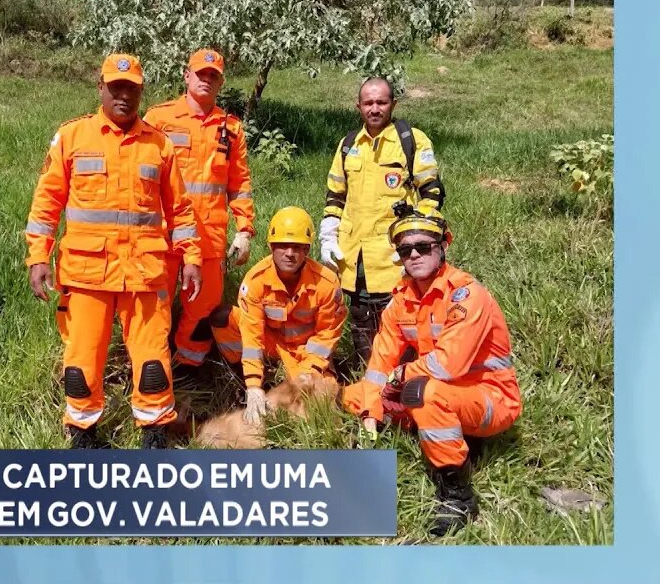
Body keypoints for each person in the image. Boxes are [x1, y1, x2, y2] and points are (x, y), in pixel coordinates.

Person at [24, 53, 203, 450]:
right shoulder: (72, 137)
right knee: (82, 361)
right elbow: (46, 203)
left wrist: (191, 256)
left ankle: (154, 434)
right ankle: (83, 436)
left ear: (141, 92)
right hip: (87, 275)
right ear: (100, 87)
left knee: (154, 362)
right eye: (116, 87)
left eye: (132, 89)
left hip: (145, 273)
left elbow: (180, 210)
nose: (124, 95)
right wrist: (38, 256)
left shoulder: (159, 145)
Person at [340, 205, 521, 537]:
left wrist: (399, 378)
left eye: (423, 246)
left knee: (422, 393)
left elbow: (446, 365)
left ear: (443, 246)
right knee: (354, 394)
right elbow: (379, 365)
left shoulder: (466, 296)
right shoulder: (402, 301)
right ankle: (444, 436)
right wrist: (370, 413)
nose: (414, 254)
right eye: (405, 249)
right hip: (435, 390)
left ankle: (458, 496)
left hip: (490, 400)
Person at [143, 48, 255, 378]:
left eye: (213, 76)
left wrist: (245, 228)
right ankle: (151, 368)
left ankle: (188, 368)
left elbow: (240, 183)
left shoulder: (230, 127)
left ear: (220, 82)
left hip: (209, 235)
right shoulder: (159, 118)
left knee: (203, 306)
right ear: (186, 75)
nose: (206, 80)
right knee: (155, 305)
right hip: (163, 233)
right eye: (200, 73)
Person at [320, 77, 445, 368]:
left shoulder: (410, 141)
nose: (374, 109)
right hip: (356, 258)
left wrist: (415, 241)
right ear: (358, 106)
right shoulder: (348, 144)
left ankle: (404, 384)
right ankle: (369, 384)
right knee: (362, 323)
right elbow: (335, 194)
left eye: (381, 102)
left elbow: (432, 194)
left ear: (393, 104)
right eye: (368, 103)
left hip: (395, 258)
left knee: (401, 326)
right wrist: (329, 233)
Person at [209, 206, 347, 425]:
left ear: (307, 250)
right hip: (271, 345)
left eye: (297, 247)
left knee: (323, 401)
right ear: (271, 247)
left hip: (305, 353)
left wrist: (305, 376)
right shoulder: (256, 281)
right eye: (282, 246)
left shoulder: (327, 284)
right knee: (225, 320)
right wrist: (253, 385)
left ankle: (286, 392)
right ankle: (245, 382)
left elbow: (325, 337)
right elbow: (252, 339)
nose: (289, 253)